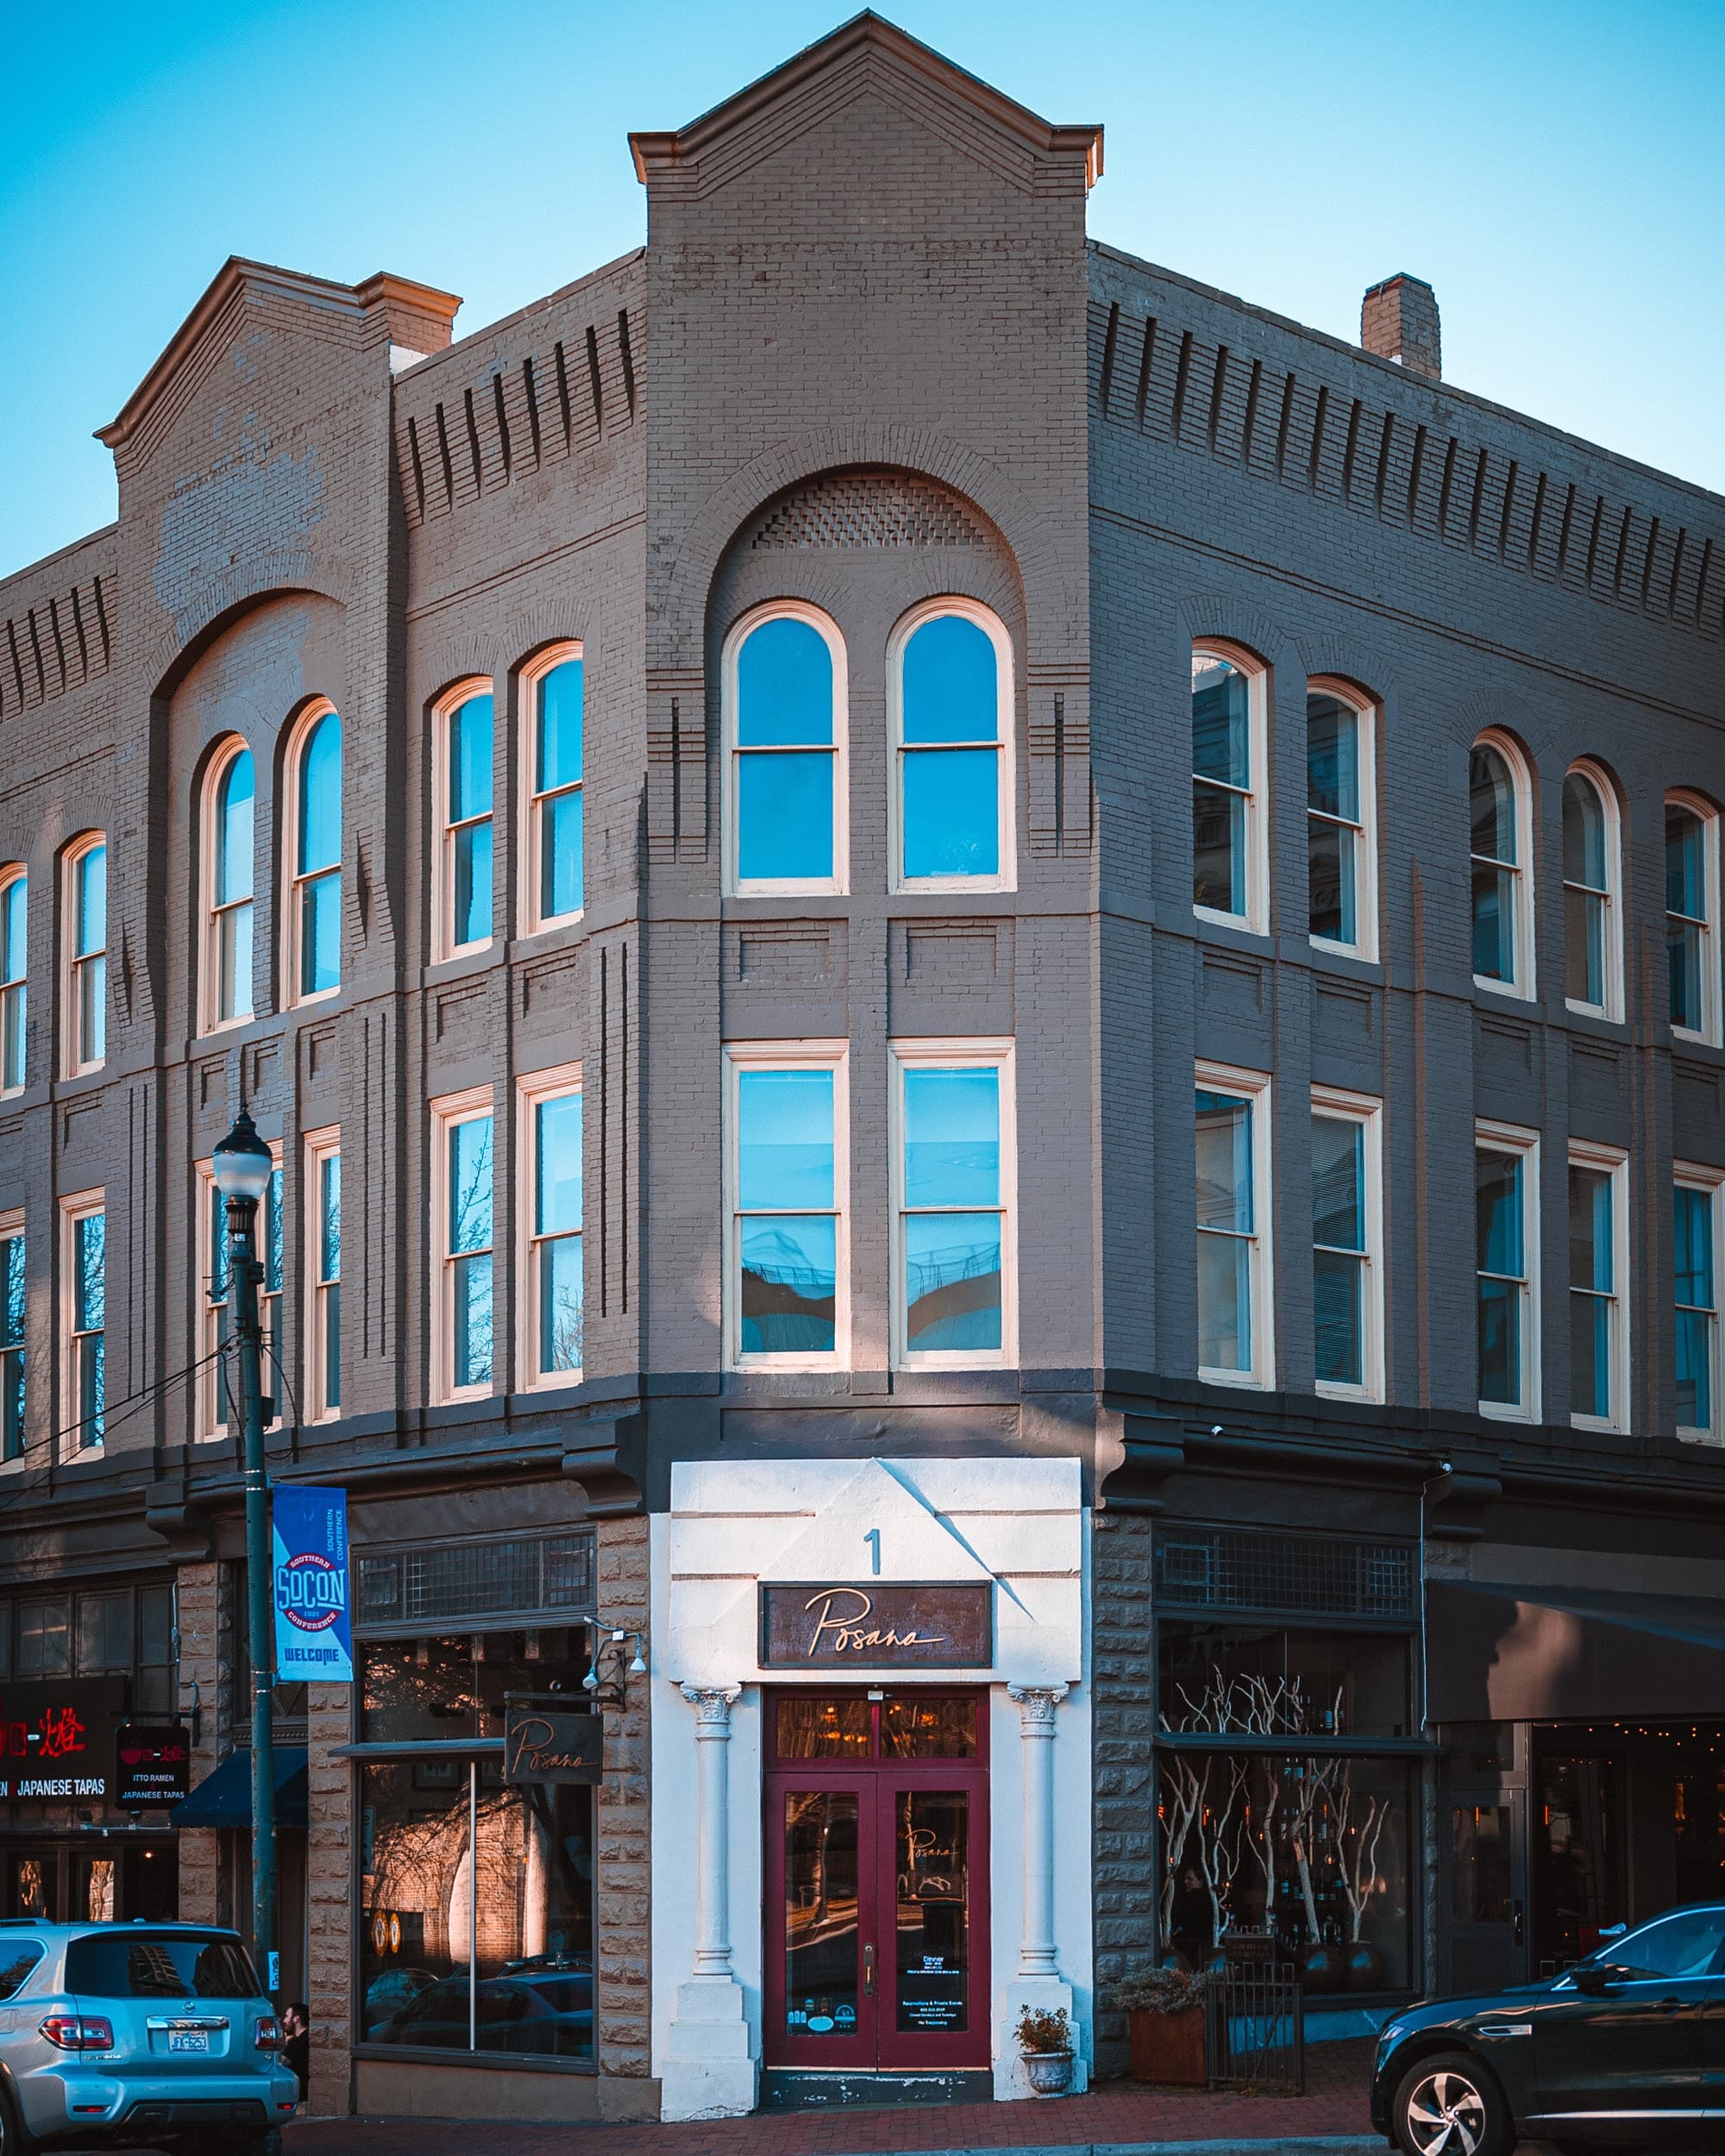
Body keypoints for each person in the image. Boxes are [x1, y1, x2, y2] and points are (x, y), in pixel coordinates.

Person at [280, 2001, 310, 2104]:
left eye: (287, 2016)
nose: (284, 2020)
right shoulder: (308, 2037)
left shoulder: (298, 2042)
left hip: (299, 2094)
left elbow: (282, 2064)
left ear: (296, 2018)